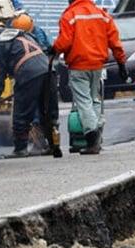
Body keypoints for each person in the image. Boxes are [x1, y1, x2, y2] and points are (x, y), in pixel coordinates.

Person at [52, 0, 127, 155]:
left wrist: (53, 49)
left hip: (79, 66)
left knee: (84, 101)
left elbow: (64, 42)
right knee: (94, 99)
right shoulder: (102, 15)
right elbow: (114, 40)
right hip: (97, 65)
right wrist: (121, 63)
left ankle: (92, 138)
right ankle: (97, 135)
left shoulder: (69, 15)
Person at [0, 16, 58, 157]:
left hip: (29, 74)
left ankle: (20, 149)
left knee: (21, 112)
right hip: (49, 71)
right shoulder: (28, 37)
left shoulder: (1, 43)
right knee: (48, 111)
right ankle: (53, 145)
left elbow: (0, 75)